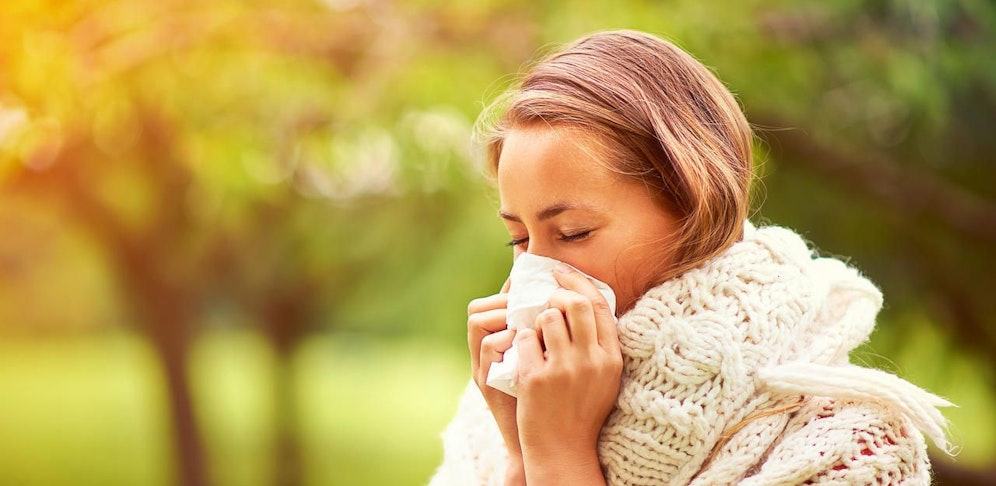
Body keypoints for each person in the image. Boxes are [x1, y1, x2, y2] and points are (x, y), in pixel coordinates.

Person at [429, 30, 953, 485]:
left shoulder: (848, 445)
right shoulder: (494, 419)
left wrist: (563, 456)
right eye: (519, 240)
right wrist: (523, 453)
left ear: (692, 208)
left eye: (572, 232)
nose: (533, 277)